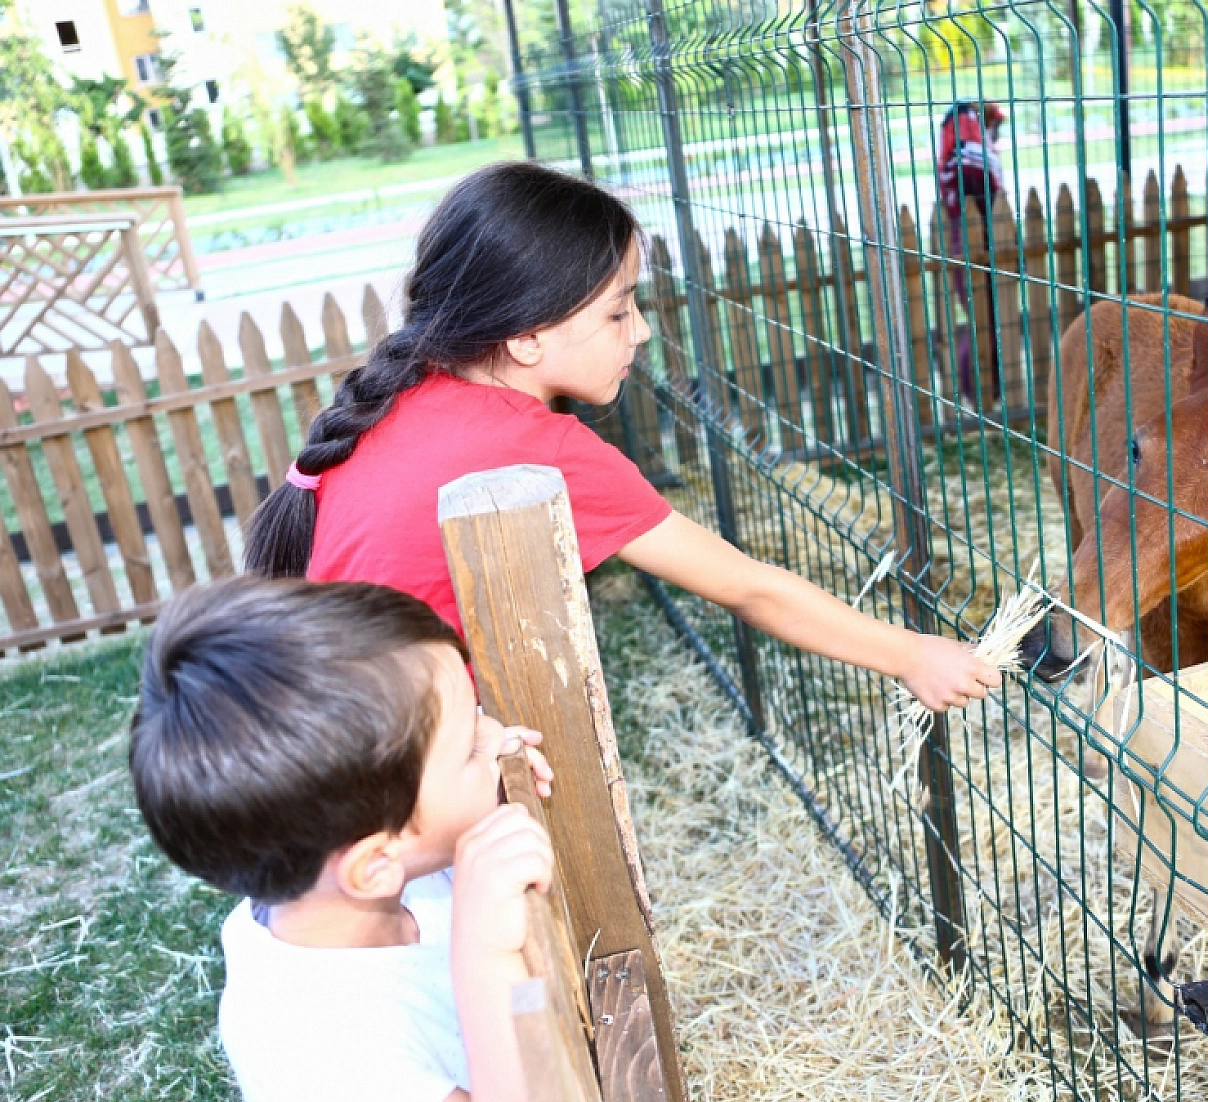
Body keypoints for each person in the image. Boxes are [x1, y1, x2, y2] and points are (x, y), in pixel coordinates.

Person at [243, 163, 999, 713]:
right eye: (617, 310)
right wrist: (911, 653)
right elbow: (747, 585)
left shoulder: (403, 392)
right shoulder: (538, 449)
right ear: (530, 336)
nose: (639, 330)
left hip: (321, 724)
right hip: (397, 758)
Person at [129, 577, 563, 1102]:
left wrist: (490, 783)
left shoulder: (350, 866)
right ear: (375, 865)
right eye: (470, 749)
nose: (494, 732)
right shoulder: (323, 1063)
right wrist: (484, 958)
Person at [935, 101, 1008, 404]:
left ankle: (989, 392)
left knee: (990, 318)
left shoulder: (967, 153)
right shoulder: (966, 156)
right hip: (972, 242)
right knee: (982, 319)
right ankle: (979, 394)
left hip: (981, 241)